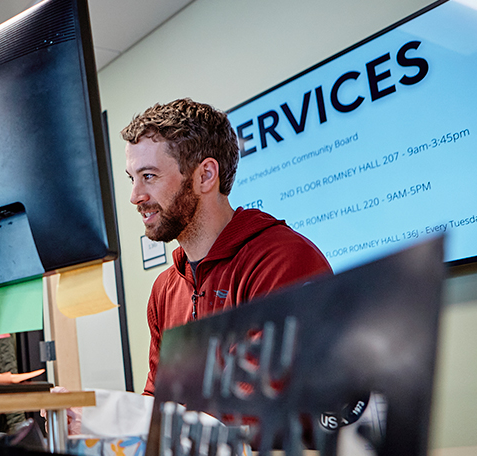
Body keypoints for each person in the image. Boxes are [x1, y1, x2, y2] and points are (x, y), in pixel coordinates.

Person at [122, 98, 331, 396]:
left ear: (205, 175)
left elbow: (259, 405)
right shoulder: (164, 291)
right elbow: (158, 401)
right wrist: (94, 418)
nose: (135, 196)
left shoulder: (282, 262)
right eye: (133, 179)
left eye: (149, 176)